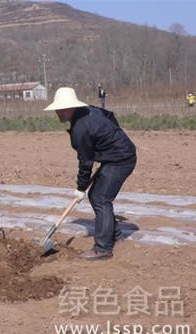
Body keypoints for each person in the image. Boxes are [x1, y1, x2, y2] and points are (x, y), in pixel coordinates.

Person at [44, 87, 136, 260]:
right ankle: (114, 233)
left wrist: (80, 188)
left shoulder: (80, 128)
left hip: (121, 159)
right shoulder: (89, 111)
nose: (56, 113)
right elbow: (110, 116)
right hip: (114, 156)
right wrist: (107, 143)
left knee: (101, 198)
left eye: (59, 109)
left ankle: (103, 249)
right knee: (97, 196)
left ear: (68, 108)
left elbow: (85, 162)